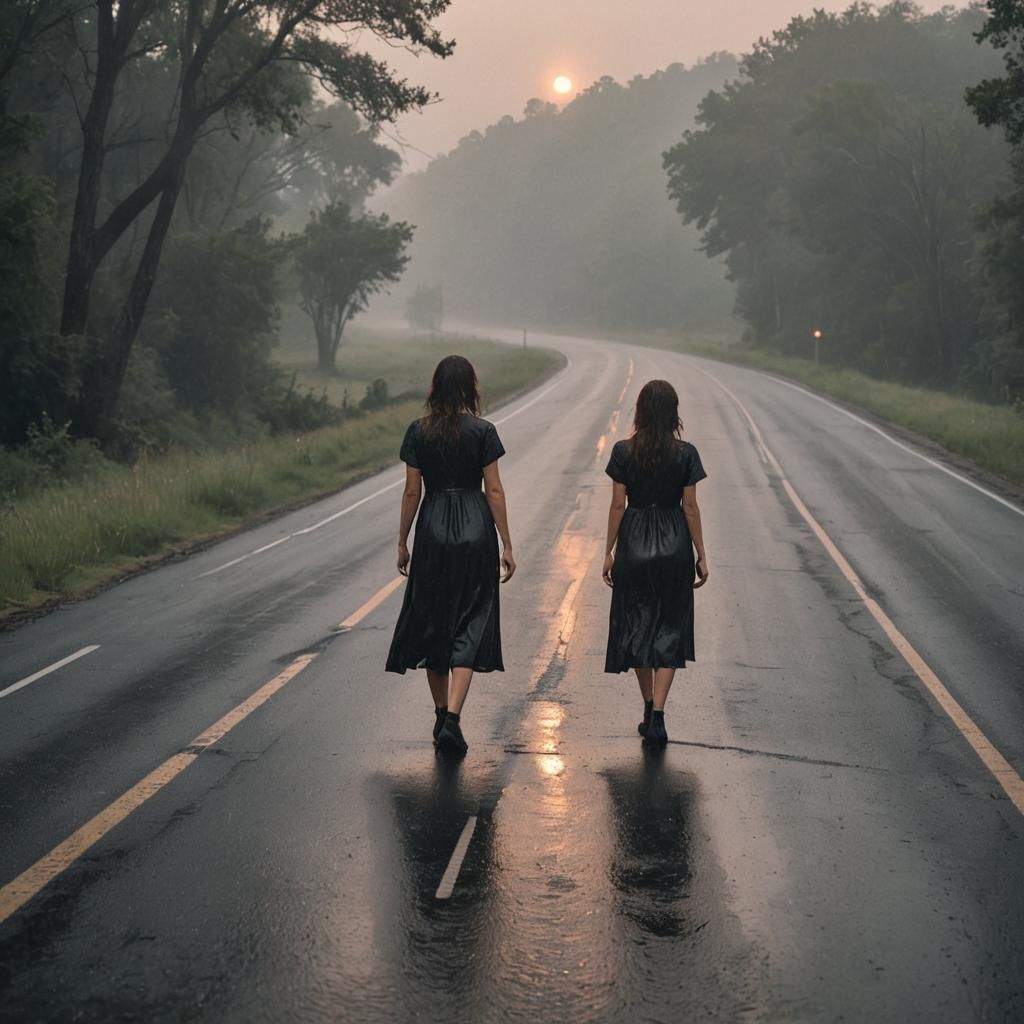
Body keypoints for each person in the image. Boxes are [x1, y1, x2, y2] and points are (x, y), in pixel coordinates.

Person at [386, 354, 516, 756]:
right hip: (475, 528)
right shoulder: (484, 431)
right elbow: (494, 490)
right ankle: (454, 719)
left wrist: (403, 541)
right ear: (470, 388)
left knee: (434, 621)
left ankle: (441, 713)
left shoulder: (418, 431)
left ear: (435, 388)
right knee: (471, 619)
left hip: (434, 529)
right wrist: (507, 543)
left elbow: (412, 491)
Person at [602, 379, 708, 747]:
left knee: (637, 624)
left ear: (640, 411)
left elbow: (618, 504)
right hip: (673, 541)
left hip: (634, 542)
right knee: (669, 627)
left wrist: (609, 550)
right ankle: (659, 715)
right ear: (673, 412)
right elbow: (690, 506)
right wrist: (701, 553)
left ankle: (648, 704)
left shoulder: (623, 451)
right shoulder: (686, 454)